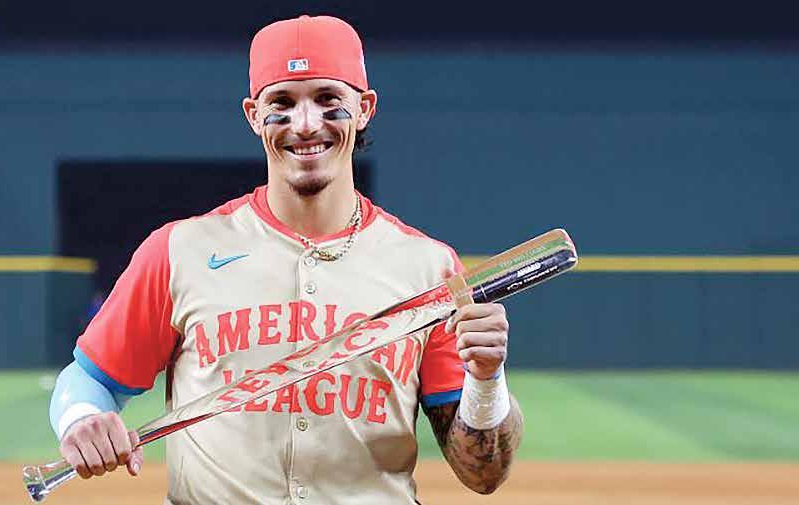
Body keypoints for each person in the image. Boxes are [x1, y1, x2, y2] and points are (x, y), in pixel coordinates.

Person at [49, 14, 523, 504]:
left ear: (364, 108)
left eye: (327, 99)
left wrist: (487, 380)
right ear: (253, 115)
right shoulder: (181, 251)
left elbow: (483, 474)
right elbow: (89, 378)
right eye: (282, 103)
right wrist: (82, 418)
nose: (306, 124)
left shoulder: (429, 269)